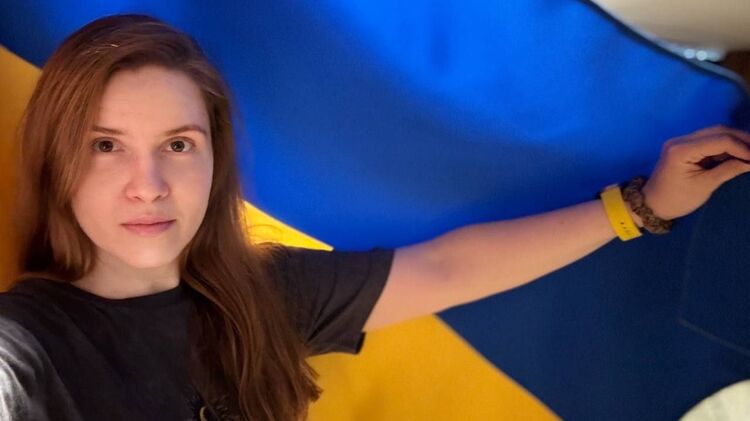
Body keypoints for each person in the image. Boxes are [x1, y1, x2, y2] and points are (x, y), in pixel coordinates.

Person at [1, 13, 749, 421]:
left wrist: (645, 206)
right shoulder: (29, 344)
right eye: (105, 146)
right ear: (57, 158)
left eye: (178, 144)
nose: (149, 185)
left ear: (215, 160)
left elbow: (445, 270)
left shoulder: (262, 297)